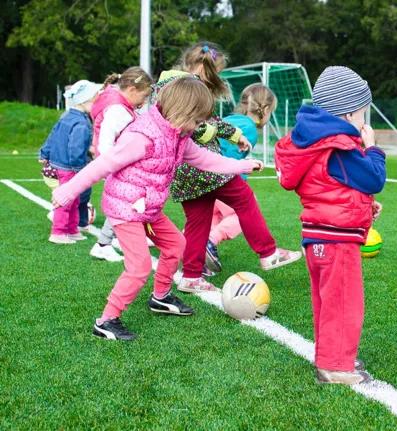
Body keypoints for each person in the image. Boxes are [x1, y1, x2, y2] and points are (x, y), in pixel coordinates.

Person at [51, 77, 263, 341]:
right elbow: (103, 164)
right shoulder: (142, 137)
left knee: (176, 245)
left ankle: (160, 297)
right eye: (197, 120)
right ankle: (106, 321)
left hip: (148, 208)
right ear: (183, 112)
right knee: (139, 267)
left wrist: (243, 165)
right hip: (126, 209)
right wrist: (67, 191)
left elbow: (205, 159)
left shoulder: (179, 136)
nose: (199, 126)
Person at [154, 42, 301, 294]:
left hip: (183, 171)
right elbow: (197, 126)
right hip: (202, 165)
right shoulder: (187, 87)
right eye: (216, 72)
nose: (216, 78)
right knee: (244, 198)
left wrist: (235, 135)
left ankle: (191, 276)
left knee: (198, 222)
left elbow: (209, 120)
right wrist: (219, 137)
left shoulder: (170, 84)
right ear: (203, 67)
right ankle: (268, 253)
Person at [274, 66, 386, 385]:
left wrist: (364, 207)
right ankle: (335, 366)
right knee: (343, 303)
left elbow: (331, 186)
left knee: (327, 302)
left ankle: (330, 355)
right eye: (362, 113)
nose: (363, 121)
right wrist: (373, 148)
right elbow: (374, 178)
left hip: (318, 236)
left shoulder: (315, 143)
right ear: (348, 113)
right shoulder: (338, 146)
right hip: (337, 241)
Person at [204, 83, 278, 273]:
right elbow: (227, 153)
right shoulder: (249, 129)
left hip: (203, 176)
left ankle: (192, 250)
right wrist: (240, 168)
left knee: (211, 217)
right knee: (243, 211)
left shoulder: (230, 119)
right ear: (266, 110)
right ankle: (210, 241)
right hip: (221, 179)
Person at [88, 66, 154, 263]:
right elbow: (106, 141)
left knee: (130, 201)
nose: (144, 102)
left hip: (117, 164)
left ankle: (116, 239)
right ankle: (103, 244)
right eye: (144, 96)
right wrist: (113, 165)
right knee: (124, 203)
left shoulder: (119, 104)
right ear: (132, 90)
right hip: (116, 165)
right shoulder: (118, 110)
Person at [39, 80, 102, 244]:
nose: (96, 105)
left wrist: (44, 152)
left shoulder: (66, 116)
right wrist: (79, 168)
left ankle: (72, 230)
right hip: (71, 167)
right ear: (85, 101)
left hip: (62, 164)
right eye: (95, 101)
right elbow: (75, 148)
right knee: (67, 200)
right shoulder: (81, 123)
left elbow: (52, 135)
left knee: (74, 199)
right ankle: (58, 232)